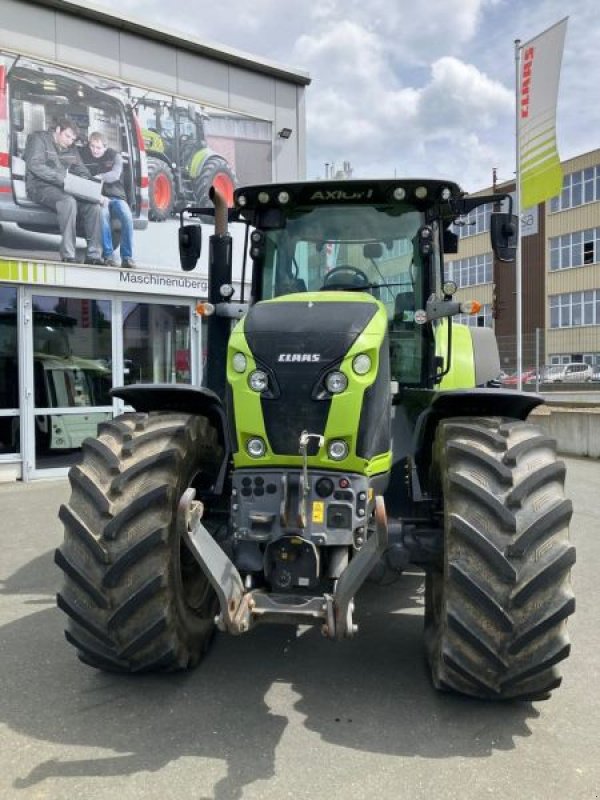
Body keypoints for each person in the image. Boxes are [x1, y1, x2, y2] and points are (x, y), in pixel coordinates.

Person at [24, 117, 104, 264]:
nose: (70, 141)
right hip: (39, 186)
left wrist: (91, 187)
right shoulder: (39, 139)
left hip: (64, 187)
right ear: (58, 130)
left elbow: (81, 169)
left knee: (94, 207)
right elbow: (35, 166)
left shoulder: (71, 148)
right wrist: (63, 179)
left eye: (73, 139)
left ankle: (94, 255)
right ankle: (69, 255)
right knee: (68, 202)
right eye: (67, 136)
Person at [80, 132, 136, 268]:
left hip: (116, 197)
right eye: (92, 146)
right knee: (102, 215)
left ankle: (127, 257)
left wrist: (98, 177)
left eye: (98, 147)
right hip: (98, 197)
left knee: (127, 216)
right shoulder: (84, 155)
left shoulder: (114, 156)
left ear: (105, 147)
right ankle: (108, 256)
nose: (94, 150)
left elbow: (115, 175)